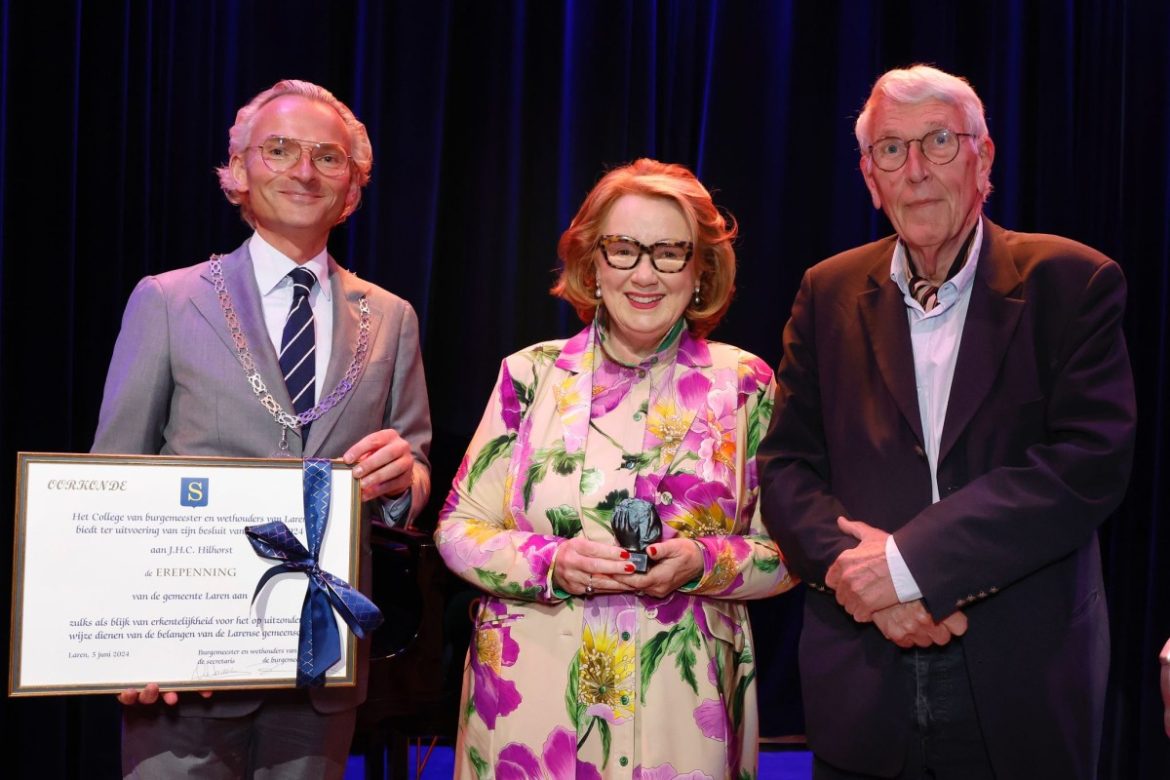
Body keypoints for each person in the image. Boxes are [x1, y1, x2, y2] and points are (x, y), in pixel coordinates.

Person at [758, 64, 1136, 779]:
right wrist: (863, 584)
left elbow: (1088, 463)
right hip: (863, 668)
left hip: (1022, 672)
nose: (916, 170)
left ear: (982, 158)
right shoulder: (826, 289)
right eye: (891, 151)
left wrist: (908, 568)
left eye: (938, 141)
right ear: (870, 179)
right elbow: (786, 468)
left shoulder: (1073, 280)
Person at [92, 79, 432, 779]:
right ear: (239, 172)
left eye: (328, 157)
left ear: (353, 187)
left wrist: (405, 477)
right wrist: (120, 647)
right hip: (181, 668)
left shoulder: (392, 317)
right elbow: (111, 480)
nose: (304, 171)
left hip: (319, 666)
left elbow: (412, 470)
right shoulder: (169, 300)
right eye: (279, 150)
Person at [436, 158, 795, 778]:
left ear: (702, 270)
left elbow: (790, 552)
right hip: (534, 704)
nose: (645, 273)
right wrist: (554, 562)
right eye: (624, 250)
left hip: (679, 715)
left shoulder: (745, 384)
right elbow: (457, 528)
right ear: (591, 263)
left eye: (669, 253)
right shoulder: (529, 375)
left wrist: (703, 563)